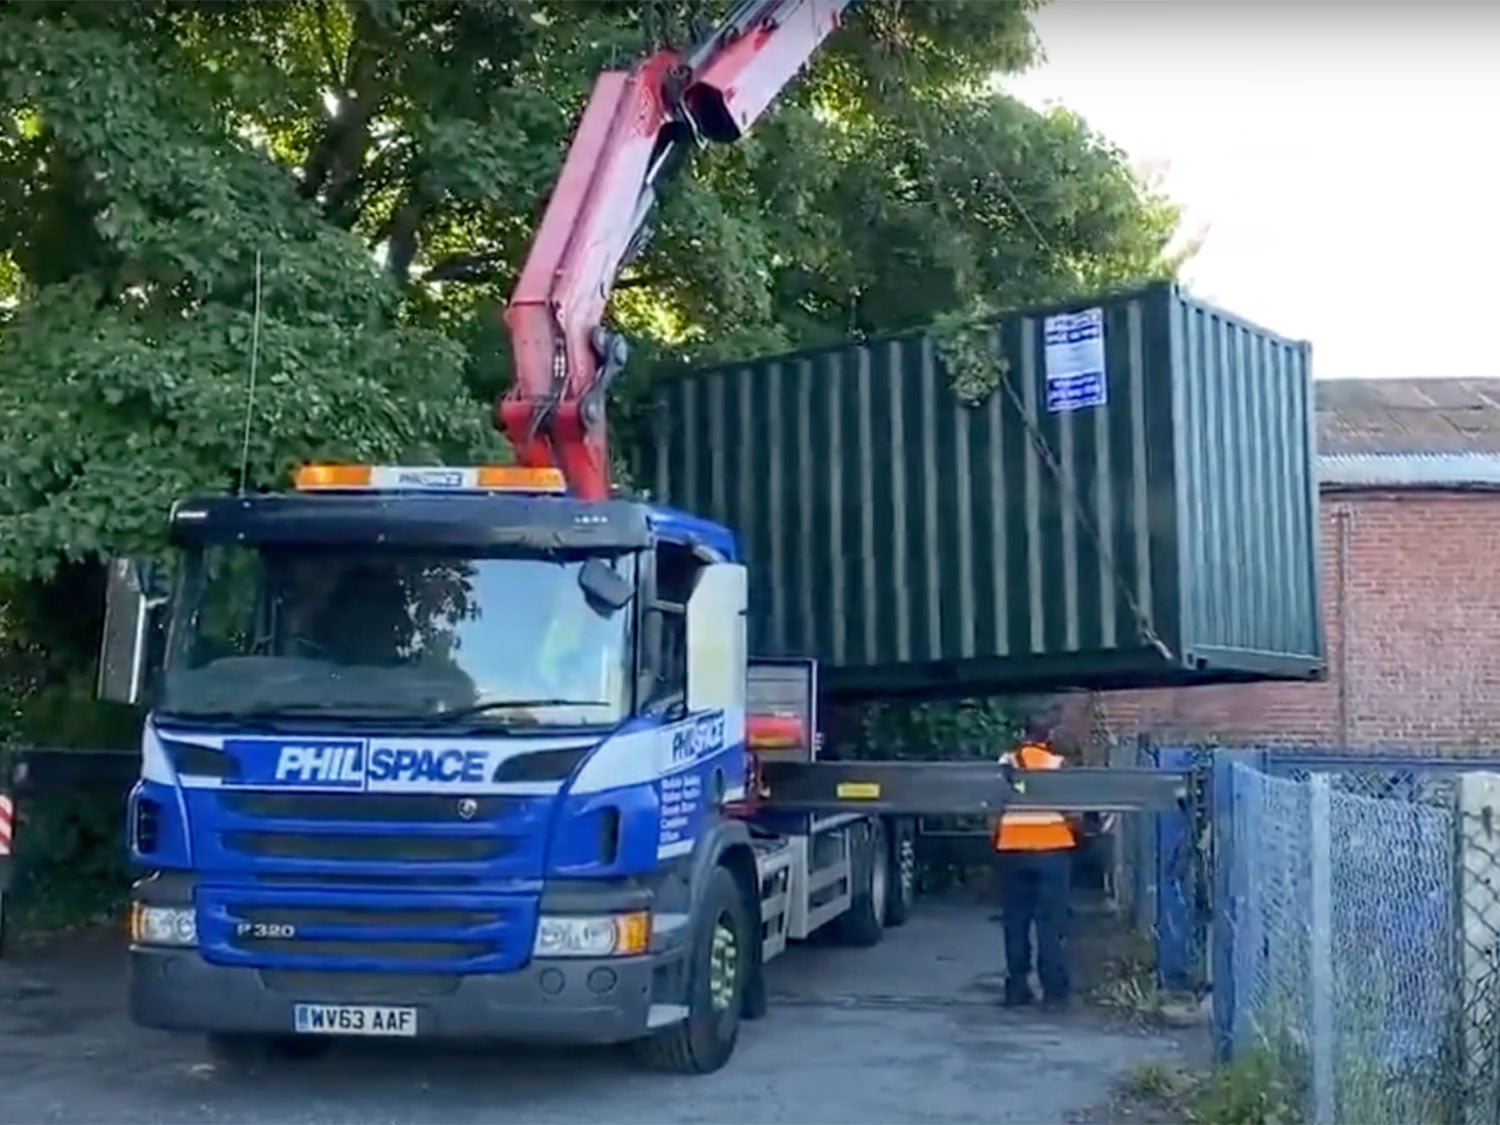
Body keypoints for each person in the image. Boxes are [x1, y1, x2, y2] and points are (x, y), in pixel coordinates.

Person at [993, 711, 1079, 1009]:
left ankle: (1016, 989)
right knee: (1050, 923)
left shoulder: (1006, 763)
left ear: (1023, 732)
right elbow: (1074, 810)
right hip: (1052, 852)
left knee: (1015, 921)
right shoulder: (1058, 765)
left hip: (1012, 851)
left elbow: (991, 805)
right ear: (1049, 737)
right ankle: (1054, 992)